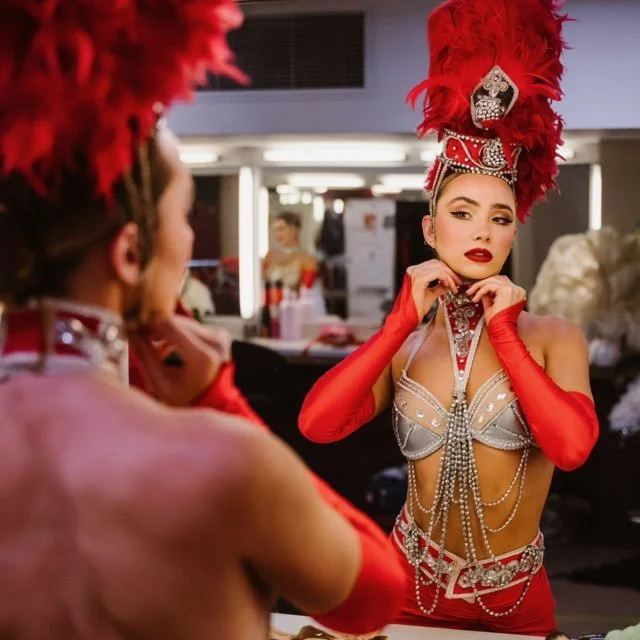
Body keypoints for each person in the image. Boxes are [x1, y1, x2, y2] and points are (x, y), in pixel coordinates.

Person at [0, 2, 406, 639]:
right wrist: (222, 404)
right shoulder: (225, 462)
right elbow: (372, 598)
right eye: (184, 216)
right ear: (130, 253)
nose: (190, 238)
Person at [298, 0, 599, 636]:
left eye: (499, 217)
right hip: (406, 592)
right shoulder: (407, 346)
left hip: (516, 606)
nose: (482, 230)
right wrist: (395, 327)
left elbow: (572, 450)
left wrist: (506, 336)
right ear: (431, 229)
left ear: (514, 231)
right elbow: (316, 425)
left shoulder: (553, 336)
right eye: (462, 213)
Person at [264, 212, 318, 291]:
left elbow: (306, 290)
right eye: (274, 230)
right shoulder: (270, 255)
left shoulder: (307, 258)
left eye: (281, 229)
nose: (277, 235)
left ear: (294, 230)